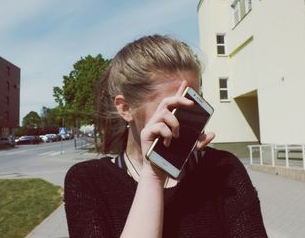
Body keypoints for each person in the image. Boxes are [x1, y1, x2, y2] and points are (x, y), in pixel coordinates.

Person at [64, 35, 267, 238]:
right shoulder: (88, 181)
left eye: (193, 105)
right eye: (173, 108)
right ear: (126, 108)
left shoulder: (223, 170)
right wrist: (152, 175)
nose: (180, 122)